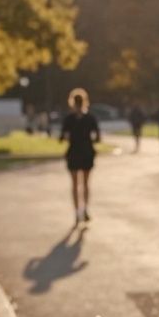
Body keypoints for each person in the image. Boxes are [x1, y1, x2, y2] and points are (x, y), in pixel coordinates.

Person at [59, 88, 100, 224]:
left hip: (76, 152)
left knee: (76, 184)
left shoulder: (70, 119)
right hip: (85, 152)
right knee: (84, 184)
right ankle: (83, 210)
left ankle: (79, 211)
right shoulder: (89, 118)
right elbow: (97, 136)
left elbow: (62, 136)